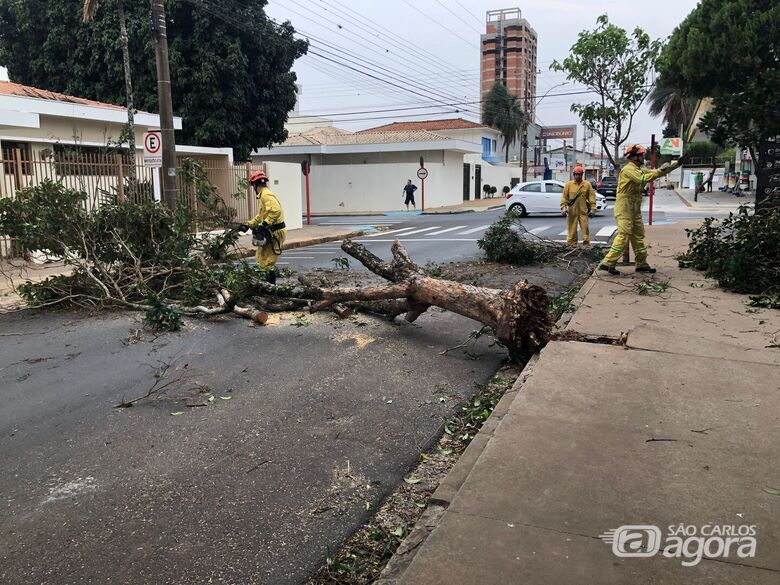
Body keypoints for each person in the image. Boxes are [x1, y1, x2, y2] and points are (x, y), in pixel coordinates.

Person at [598, 145, 689, 275]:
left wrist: (676, 164)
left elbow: (655, 172)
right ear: (634, 157)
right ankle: (608, 262)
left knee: (638, 235)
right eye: (640, 155)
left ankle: (641, 264)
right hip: (624, 206)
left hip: (634, 206)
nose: (642, 157)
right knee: (624, 234)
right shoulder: (628, 170)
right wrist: (659, 171)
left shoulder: (639, 168)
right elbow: (644, 178)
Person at [241, 170, 286, 284]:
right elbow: (261, 215)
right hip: (271, 231)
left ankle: (271, 287)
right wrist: (249, 224)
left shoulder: (266, 195)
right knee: (261, 258)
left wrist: (265, 224)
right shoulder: (263, 196)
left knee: (268, 262)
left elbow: (276, 211)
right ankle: (266, 284)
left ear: (255, 185)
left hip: (276, 232)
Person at [560, 166, 596, 248]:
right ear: (573, 175)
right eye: (576, 174)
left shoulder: (587, 185)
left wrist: (593, 208)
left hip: (583, 211)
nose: (578, 176)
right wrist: (563, 207)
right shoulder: (569, 185)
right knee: (571, 229)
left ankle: (586, 245)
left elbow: (591, 197)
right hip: (572, 211)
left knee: (585, 228)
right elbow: (564, 197)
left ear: (582, 175)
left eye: (579, 175)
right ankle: (571, 245)